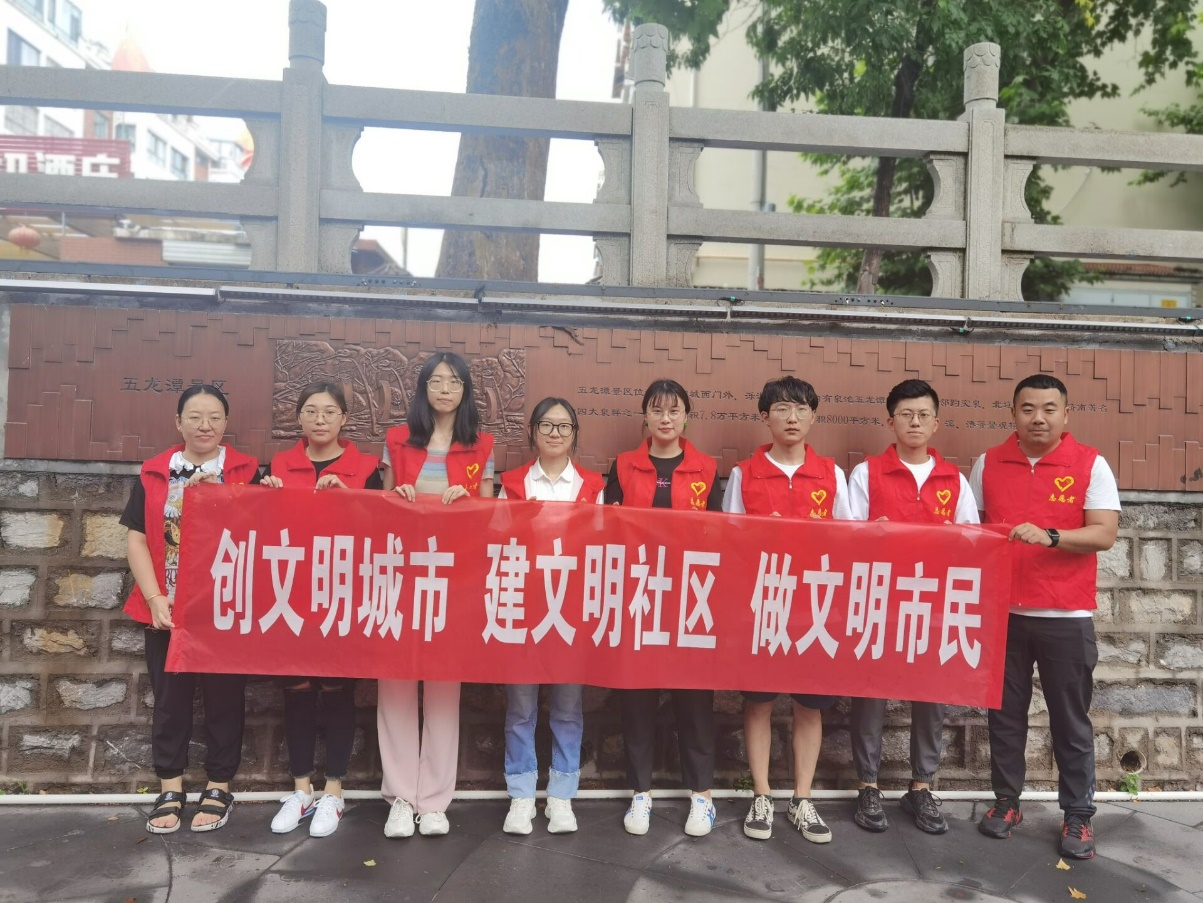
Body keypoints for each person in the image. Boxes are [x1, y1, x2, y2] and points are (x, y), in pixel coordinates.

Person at [971, 374, 1119, 860]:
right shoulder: (988, 463)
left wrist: (1052, 536)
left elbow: (1104, 533)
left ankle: (1078, 815)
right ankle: (1006, 802)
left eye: (1049, 409)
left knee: (1070, 721)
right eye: (1028, 408)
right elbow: (969, 530)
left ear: (1065, 414)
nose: (1038, 418)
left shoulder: (1090, 463)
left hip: (1065, 614)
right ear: (1013, 413)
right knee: (1004, 717)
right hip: (1004, 614)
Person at [121, 385, 259, 834]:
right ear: (178, 422)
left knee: (225, 699)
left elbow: (261, 532)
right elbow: (137, 538)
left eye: (215, 417)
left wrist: (223, 495)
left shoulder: (246, 471)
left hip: (224, 608)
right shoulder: (154, 472)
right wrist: (154, 597)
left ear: (226, 423)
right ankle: (170, 788)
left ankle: (219, 786)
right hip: (167, 608)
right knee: (170, 701)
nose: (205, 425)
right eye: (195, 416)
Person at [845, 379, 979, 835]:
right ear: (891, 421)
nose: (915, 422)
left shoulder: (954, 480)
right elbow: (847, 536)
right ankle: (868, 784)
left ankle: (921, 786)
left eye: (923, 415)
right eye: (906, 414)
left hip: (935, 602)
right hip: (879, 598)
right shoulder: (867, 474)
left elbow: (972, 540)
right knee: (870, 694)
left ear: (936, 423)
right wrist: (872, 534)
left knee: (931, 696)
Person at [723, 376, 850, 845]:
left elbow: (851, 540)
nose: (791, 418)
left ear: (813, 416)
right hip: (763, 603)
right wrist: (760, 534)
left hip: (815, 606)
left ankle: (801, 798)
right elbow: (730, 540)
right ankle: (761, 793)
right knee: (758, 702)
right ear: (765, 417)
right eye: (781, 409)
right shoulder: (744, 474)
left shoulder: (832, 475)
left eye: (800, 409)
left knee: (808, 706)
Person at [378, 352, 495, 839]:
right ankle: (400, 796)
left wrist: (469, 503)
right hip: (401, 575)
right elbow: (379, 509)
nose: (445, 389)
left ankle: (434, 801)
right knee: (396, 687)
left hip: (454, 578)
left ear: (465, 390)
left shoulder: (482, 445)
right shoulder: (397, 440)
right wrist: (397, 497)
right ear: (423, 388)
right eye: (436, 381)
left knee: (445, 689)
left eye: (454, 382)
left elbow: (491, 518)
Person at [261, 381, 382, 838]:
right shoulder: (277, 466)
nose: (320, 419)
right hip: (290, 594)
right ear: (298, 417)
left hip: (342, 594)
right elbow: (257, 529)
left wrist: (350, 498)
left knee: (336, 688)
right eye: (311, 410)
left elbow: (382, 529)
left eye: (330, 411)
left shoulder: (367, 469)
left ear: (344, 418)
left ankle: (334, 790)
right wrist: (265, 496)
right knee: (296, 688)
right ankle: (300, 790)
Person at [605, 378, 723, 837]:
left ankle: (702, 796)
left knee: (694, 699)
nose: (666, 418)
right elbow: (606, 528)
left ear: (687, 417)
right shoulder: (624, 465)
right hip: (638, 595)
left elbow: (721, 535)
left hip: (692, 599)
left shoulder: (707, 469)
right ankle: (641, 793)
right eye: (657, 410)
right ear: (646, 417)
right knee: (637, 697)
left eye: (674, 410)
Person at [497, 397, 605, 836]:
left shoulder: (592, 486)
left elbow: (602, 547)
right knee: (521, 707)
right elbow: (497, 543)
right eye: (547, 425)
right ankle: (521, 794)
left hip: (571, 610)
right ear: (533, 432)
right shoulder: (514, 484)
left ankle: (561, 795)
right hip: (524, 607)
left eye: (564, 426)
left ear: (575, 434)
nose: (555, 433)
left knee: (567, 707)